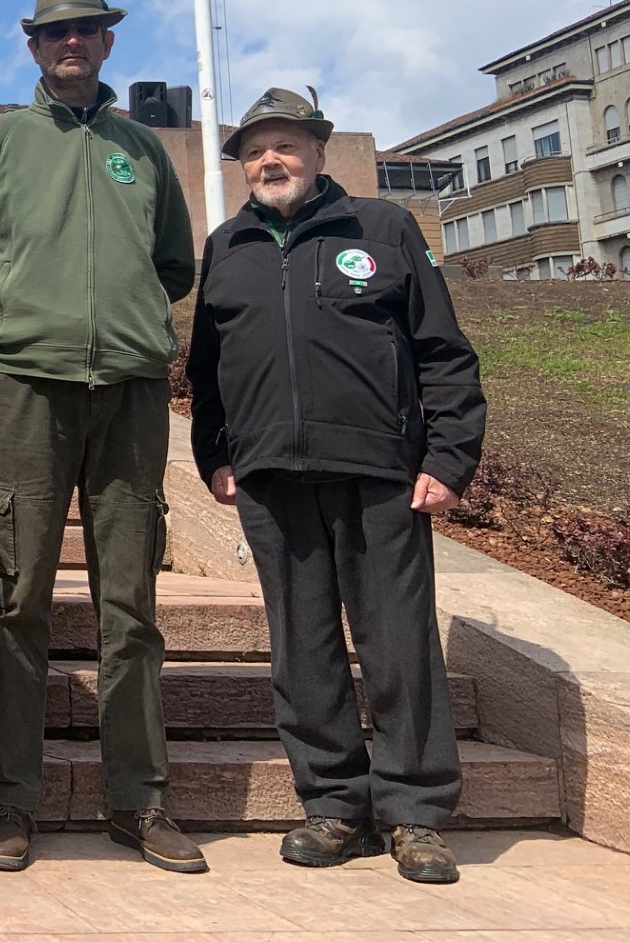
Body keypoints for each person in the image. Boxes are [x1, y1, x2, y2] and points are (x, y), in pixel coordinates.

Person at [188, 89, 486, 886]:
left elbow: (444, 353)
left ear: (318, 153)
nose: (269, 161)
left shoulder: (382, 229)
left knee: (398, 645)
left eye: (285, 145)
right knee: (304, 648)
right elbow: (207, 372)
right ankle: (332, 807)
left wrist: (449, 457)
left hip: (381, 473)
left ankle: (415, 814)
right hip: (272, 477)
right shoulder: (227, 245)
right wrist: (215, 454)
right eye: (255, 151)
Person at [0, 0, 201, 875]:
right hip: (27, 389)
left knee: (130, 608)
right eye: (57, 31)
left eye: (87, 30)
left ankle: (140, 800)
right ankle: (10, 804)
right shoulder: (2, 142)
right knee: (18, 603)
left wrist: (123, 314)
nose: (72, 43)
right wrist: (3, 302)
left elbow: (176, 264)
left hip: (129, 393)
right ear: (34, 45)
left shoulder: (142, 148)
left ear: (107, 43)